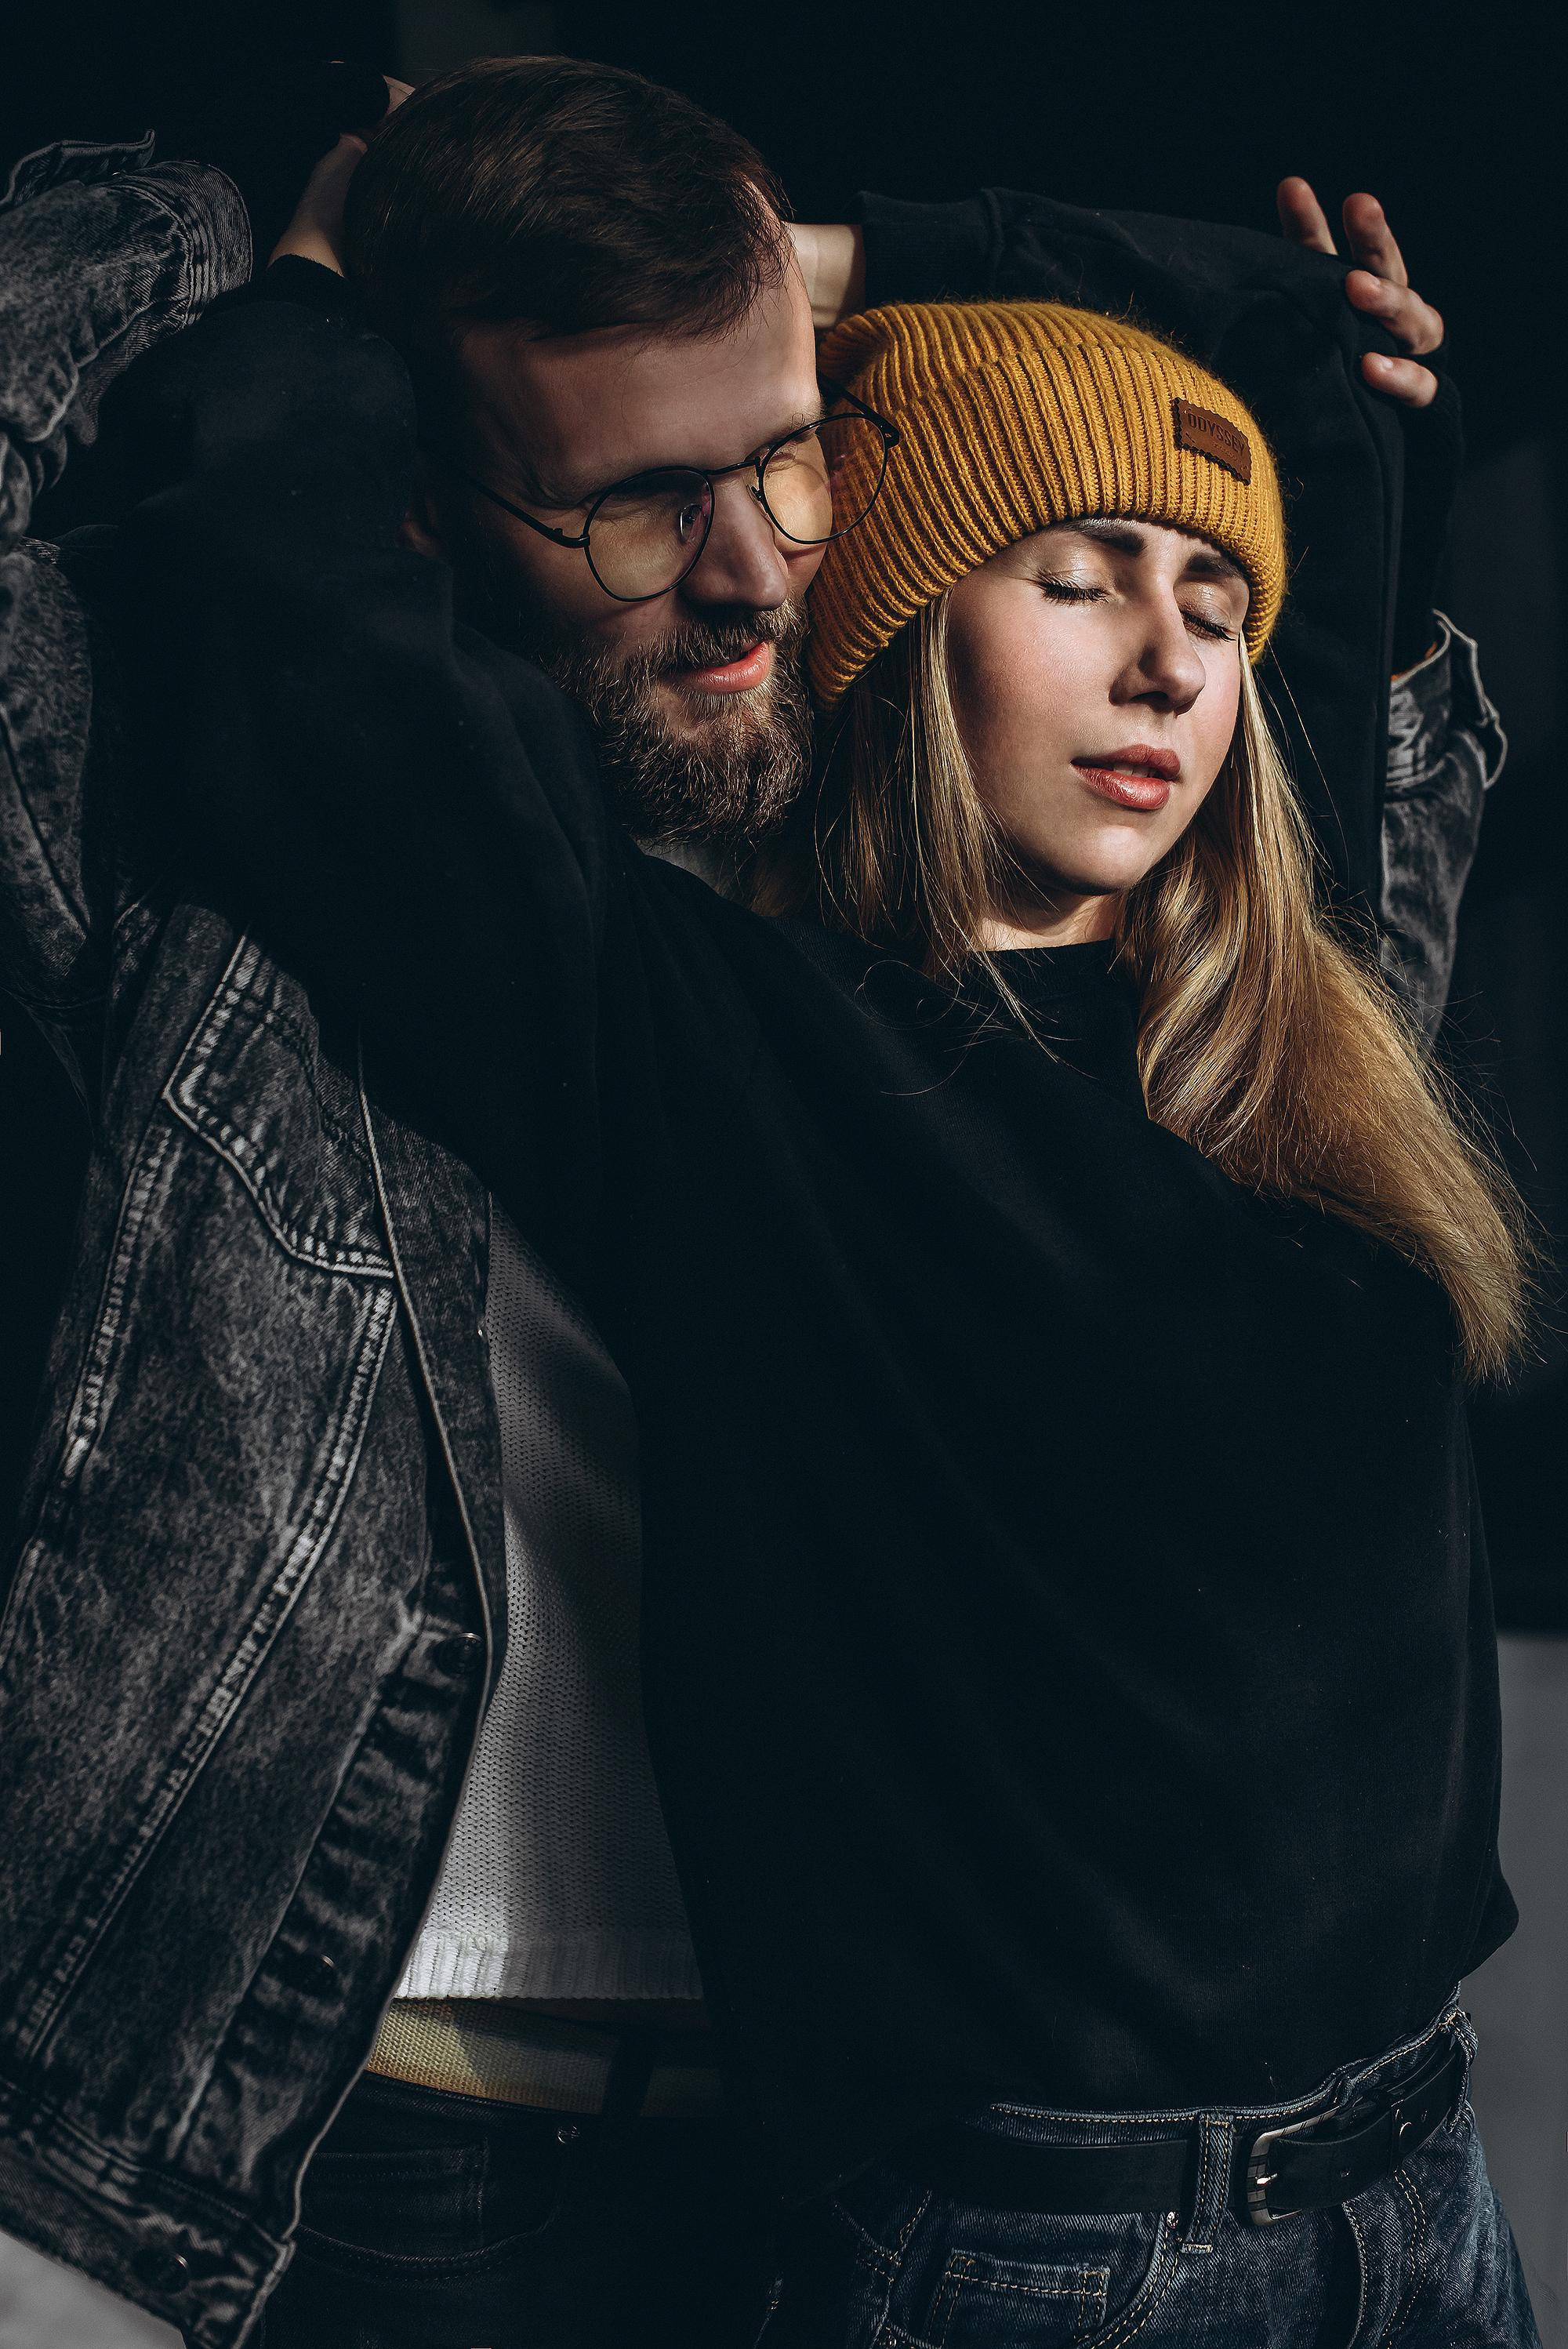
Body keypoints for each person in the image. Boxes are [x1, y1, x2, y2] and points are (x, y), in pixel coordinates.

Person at [0, 56, 1503, 2349]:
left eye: (794, 462)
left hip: (1385, 2178)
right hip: (734, 2143)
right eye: (1077, 575)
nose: (1170, 652)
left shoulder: (1258, 1017)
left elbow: (1300, 364)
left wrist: (786, 265)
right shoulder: (711, 1007)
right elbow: (217, 518)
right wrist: (331, 261)